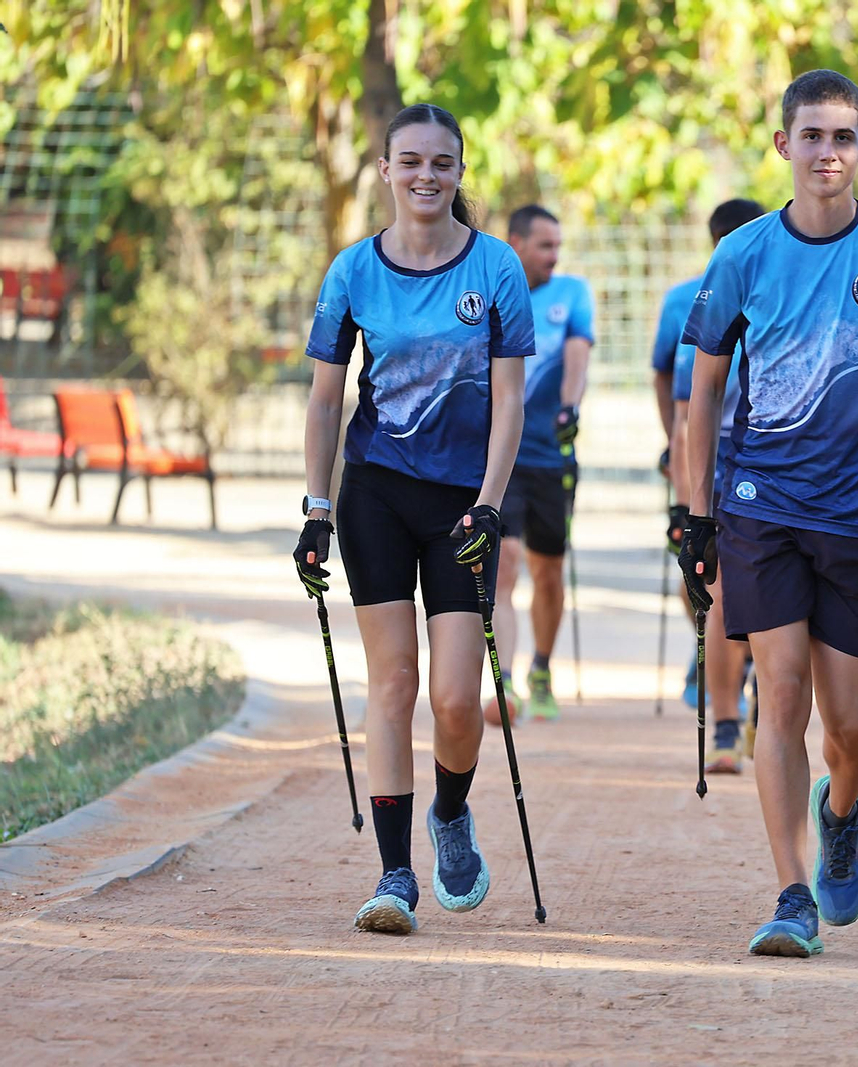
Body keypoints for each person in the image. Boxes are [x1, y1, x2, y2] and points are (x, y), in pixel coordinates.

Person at [678, 69, 858, 958]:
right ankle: (792, 892)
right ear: (783, 145)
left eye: (842, 137)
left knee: (852, 730)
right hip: (761, 506)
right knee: (782, 695)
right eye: (812, 136)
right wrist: (697, 516)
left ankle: (841, 811)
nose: (827, 152)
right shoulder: (743, 254)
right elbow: (703, 391)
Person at [295, 103, 534, 934]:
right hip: (377, 496)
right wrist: (317, 507)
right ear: (386, 170)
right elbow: (325, 402)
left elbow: (510, 400)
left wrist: (490, 502)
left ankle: (451, 810)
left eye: (442, 162)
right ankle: (394, 874)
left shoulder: (496, 268)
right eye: (411, 161)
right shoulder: (352, 272)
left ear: (458, 171)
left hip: (464, 506)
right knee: (394, 681)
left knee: (459, 699)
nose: (426, 175)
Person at [668, 198, 766, 772]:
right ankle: (725, 722)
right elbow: (687, 410)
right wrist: (686, 503)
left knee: (773, 599)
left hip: (777, 457)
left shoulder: (790, 293)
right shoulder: (698, 303)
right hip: (724, 455)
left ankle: (758, 687)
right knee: (719, 592)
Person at [487, 204, 595, 723]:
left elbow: (577, 358)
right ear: (517, 243)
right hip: (501, 457)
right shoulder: (493, 291)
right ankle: (504, 682)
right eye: (545, 245)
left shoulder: (572, 293)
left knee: (548, 572)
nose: (555, 255)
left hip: (553, 457)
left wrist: (570, 406)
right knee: (504, 562)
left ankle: (542, 669)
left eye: (558, 245)